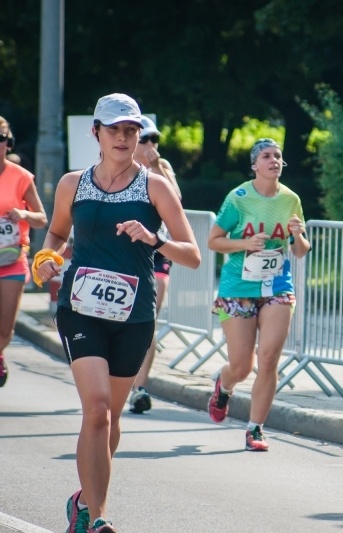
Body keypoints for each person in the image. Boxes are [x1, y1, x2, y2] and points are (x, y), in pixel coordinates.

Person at [32, 93, 201, 533]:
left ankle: (83, 502)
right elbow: (56, 232)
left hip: (134, 315)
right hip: (81, 309)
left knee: (113, 417)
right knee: (98, 409)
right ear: (96, 133)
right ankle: (99, 518)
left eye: (131, 130)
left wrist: (153, 238)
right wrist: (48, 257)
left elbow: (193, 256)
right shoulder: (73, 183)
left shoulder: (154, 186)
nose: (124, 138)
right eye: (115, 130)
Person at [206, 138, 310, 452]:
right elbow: (214, 240)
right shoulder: (238, 198)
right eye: (266, 156)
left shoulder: (291, 199)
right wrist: (245, 245)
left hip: (277, 287)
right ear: (255, 165)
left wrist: (296, 235)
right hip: (238, 287)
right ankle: (224, 387)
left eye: (278, 156)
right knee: (241, 365)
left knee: (268, 360)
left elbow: (301, 251)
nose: (274, 160)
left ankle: (256, 429)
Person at [128, 115, 181, 414]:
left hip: (155, 252)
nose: (150, 145)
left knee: (148, 320)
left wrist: (158, 165)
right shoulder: (117, 167)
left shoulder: (162, 168)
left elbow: (177, 200)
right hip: (120, 254)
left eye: (154, 139)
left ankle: (140, 388)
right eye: (145, 138)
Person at [0, 116, 47, 387]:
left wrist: (22, 214)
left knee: (6, 328)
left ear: (9, 143)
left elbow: (42, 218)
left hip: (11, 259)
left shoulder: (21, 177)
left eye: (1, 139)